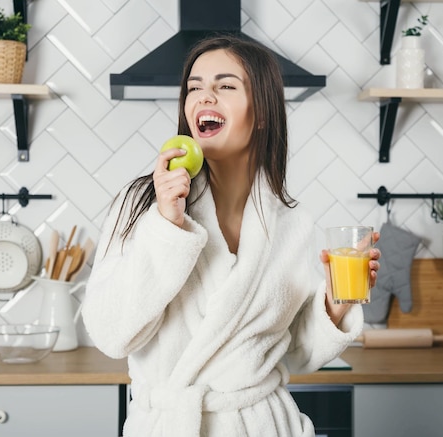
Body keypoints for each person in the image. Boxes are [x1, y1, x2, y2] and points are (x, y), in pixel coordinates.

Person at [82, 34, 381, 437]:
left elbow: (295, 352)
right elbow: (111, 335)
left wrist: (335, 304)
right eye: (194, 88)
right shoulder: (142, 203)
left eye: (224, 86)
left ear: (261, 113)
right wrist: (167, 227)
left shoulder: (292, 225)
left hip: (265, 425)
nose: (204, 97)